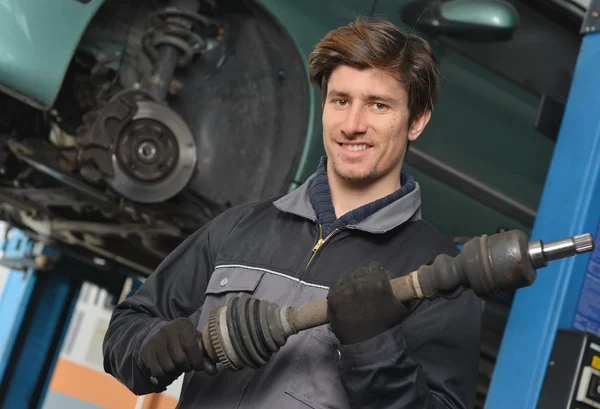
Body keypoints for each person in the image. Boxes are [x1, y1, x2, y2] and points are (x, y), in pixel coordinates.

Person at [102, 16, 481, 409]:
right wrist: (153, 345)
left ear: (416, 121)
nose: (352, 125)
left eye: (378, 105)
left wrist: (375, 351)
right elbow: (126, 330)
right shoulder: (240, 229)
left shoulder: (434, 273)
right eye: (340, 101)